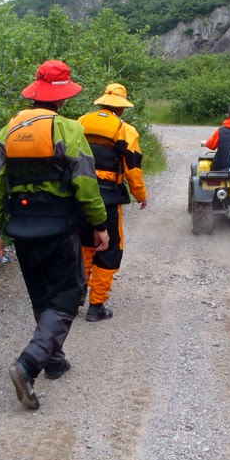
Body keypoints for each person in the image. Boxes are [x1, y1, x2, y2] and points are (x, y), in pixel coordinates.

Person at [0, 59, 109, 411]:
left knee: (42, 294)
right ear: (62, 98)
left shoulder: (8, 131)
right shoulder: (68, 129)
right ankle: (29, 364)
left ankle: (54, 361)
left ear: (35, 93)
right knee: (68, 297)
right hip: (59, 225)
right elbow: (86, 184)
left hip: (22, 227)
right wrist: (100, 225)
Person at [77, 83, 148, 322]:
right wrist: (141, 195)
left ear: (103, 101)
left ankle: (76, 295)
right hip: (107, 197)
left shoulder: (80, 122)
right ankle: (96, 306)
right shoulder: (125, 130)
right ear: (121, 107)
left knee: (85, 245)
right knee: (109, 249)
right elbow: (133, 168)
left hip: (80, 196)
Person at [201, 103, 230, 171]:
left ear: (229, 115)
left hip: (221, 166)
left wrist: (204, 143)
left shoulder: (220, 131)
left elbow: (211, 145)